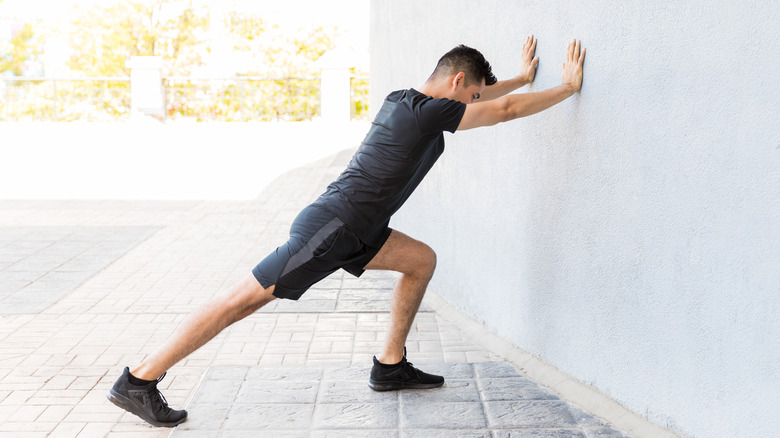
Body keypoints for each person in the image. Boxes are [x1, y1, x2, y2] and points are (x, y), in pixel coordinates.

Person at [107, 35, 586, 427]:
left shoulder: (404, 100)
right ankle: (140, 379)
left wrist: (521, 79)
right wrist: (565, 89)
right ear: (458, 81)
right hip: (331, 228)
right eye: (473, 94)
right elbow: (500, 112)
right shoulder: (429, 112)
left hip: (358, 228)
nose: (474, 104)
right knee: (241, 301)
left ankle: (391, 365)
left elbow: (487, 102)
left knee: (420, 261)